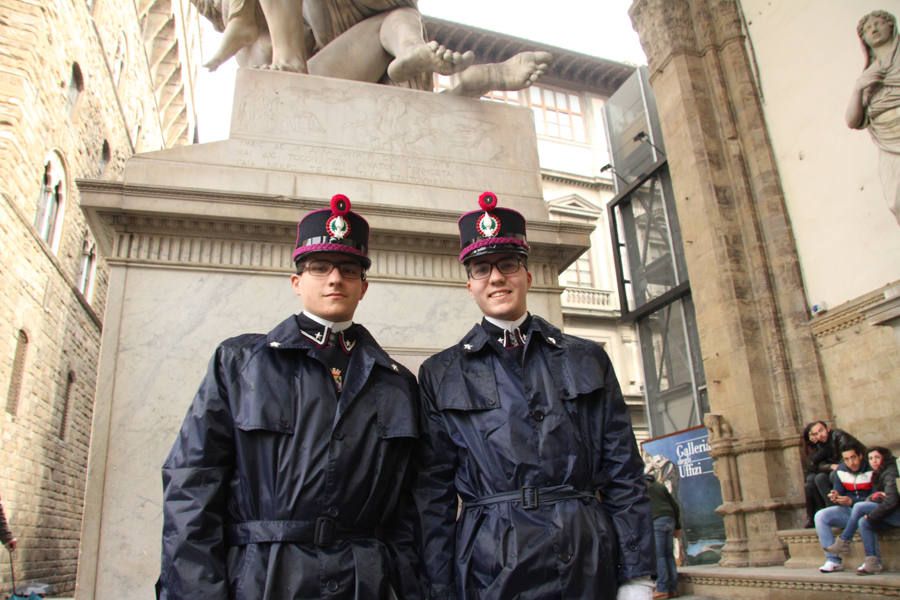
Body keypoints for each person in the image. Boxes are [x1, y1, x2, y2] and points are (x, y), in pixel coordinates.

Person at [157, 195, 421, 599]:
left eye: (349, 270)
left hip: (362, 581)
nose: (335, 279)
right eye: (320, 268)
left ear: (363, 288)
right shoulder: (242, 362)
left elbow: (405, 513)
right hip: (262, 578)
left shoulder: (396, 383)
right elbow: (192, 483)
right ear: (297, 282)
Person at [414, 192, 655, 600]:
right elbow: (432, 495)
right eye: (481, 268)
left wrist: (638, 575)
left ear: (526, 274)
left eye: (508, 265)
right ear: (469, 284)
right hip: (490, 562)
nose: (496, 278)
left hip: (585, 556)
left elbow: (623, 471)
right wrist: (439, 588)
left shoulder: (585, 358)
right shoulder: (442, 372)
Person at [845, 10, 900, 226]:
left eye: (878, 24)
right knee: (897, 202)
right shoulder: (869, 74)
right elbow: (852, 120)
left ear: (891, 26)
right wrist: (859, 86)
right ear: (864, 40)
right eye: (868, 29)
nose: (874, 30)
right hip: (888, 142)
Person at [824, 446, 900, 575]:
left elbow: (891, 502)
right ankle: (872, 564)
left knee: (860, 507)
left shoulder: (890, 473)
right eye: (871, 458)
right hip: (890, 513)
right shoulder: (880, 472)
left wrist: (871, 516)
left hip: (897, 514)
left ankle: (844, 541)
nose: (874, 461)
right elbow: (882, 497)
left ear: (885, 458)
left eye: (877, 457)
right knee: (863, 523)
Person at [814, 441, 875, 573]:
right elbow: (839, 492)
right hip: (848, 511)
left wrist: (851, 501)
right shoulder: (841, 470)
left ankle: (872, 560)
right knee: (820, 516)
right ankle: (833, 561)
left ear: (860, 456)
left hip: (867, 511)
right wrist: (835, 496)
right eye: (847, 459)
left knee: (860, 508)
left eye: (853, 458)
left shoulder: (872, 469)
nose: (851, 462)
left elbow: (875, 498)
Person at [801, 422, 859, 528]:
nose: (820, 435)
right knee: (819, 478)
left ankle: (847, 511)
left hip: (854, 467)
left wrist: (836, 467)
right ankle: (836, 511)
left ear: (827, 429)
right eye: (816, 433)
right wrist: (831, 466)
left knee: (833, 475)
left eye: (821, 431)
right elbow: (819, 464)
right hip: (836, 469)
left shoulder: (839, 436)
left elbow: (848, 456)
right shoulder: (820, 444)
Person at [645, 474, 680, 600]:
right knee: (669, 555)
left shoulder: (643, 487)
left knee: (659, 555)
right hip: (670, 519)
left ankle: (663, 589)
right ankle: (673, 589)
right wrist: (678, 527)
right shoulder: (660, 486)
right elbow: (675, 505)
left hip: (657, 520)